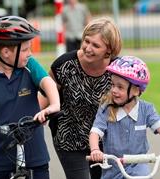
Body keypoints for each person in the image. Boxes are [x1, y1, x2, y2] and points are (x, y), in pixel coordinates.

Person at [0, 16, 60, 179]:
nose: (30, 53)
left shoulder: (30, 66)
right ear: (6, 52)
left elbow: (48, 83)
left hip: (35, 158)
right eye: (25, 49)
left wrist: (53, 105)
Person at [39, 17, 122, 179]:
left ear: (109, 50)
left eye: (96, 45)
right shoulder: (64, 65)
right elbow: (44, 97)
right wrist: (34, 116)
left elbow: (131, 104)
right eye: (86, 41)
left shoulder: (118, 70)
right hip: (69, 138)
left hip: (105, 140)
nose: (88, 48)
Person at [89, 56, 160, 179]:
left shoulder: (147, 110)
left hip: (139, 168)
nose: (114, 90)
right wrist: (95, 149)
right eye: (112, 85)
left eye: (120, 87)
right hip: (113, 170)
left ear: (136, 91)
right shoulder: (107, 109)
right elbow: (95, 132)